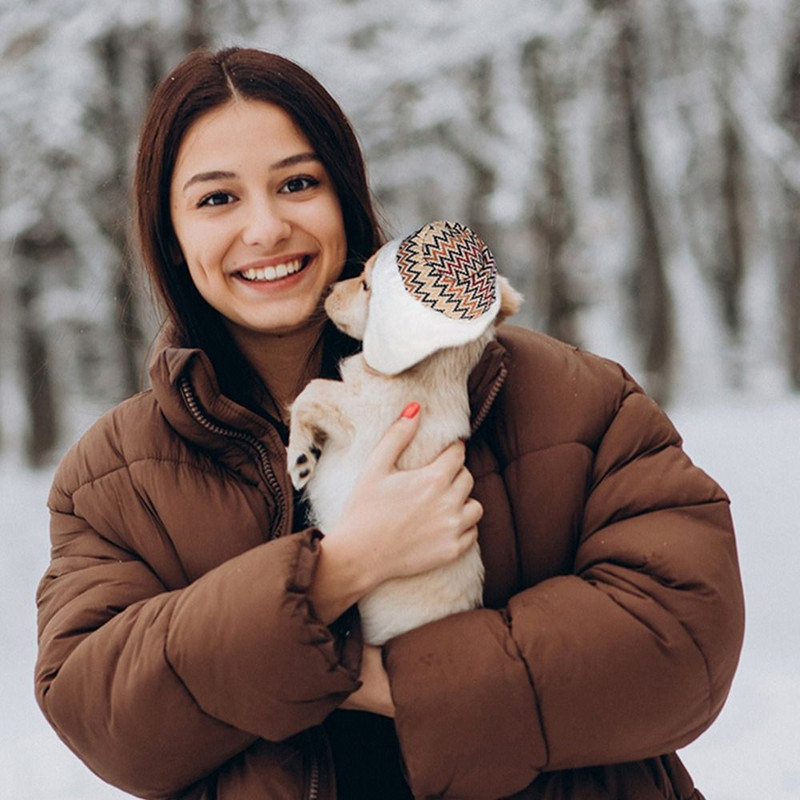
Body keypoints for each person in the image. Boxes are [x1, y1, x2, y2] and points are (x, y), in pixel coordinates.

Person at [34, 46, 744, 800]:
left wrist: (400, 685)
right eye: (217, 200)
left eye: (297, 183)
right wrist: (336, 572)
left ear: (345, 194)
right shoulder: (112, 476)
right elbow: (108, 717)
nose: (267, 228)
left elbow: (683, 636)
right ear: (169, 234)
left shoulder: (559, 394)